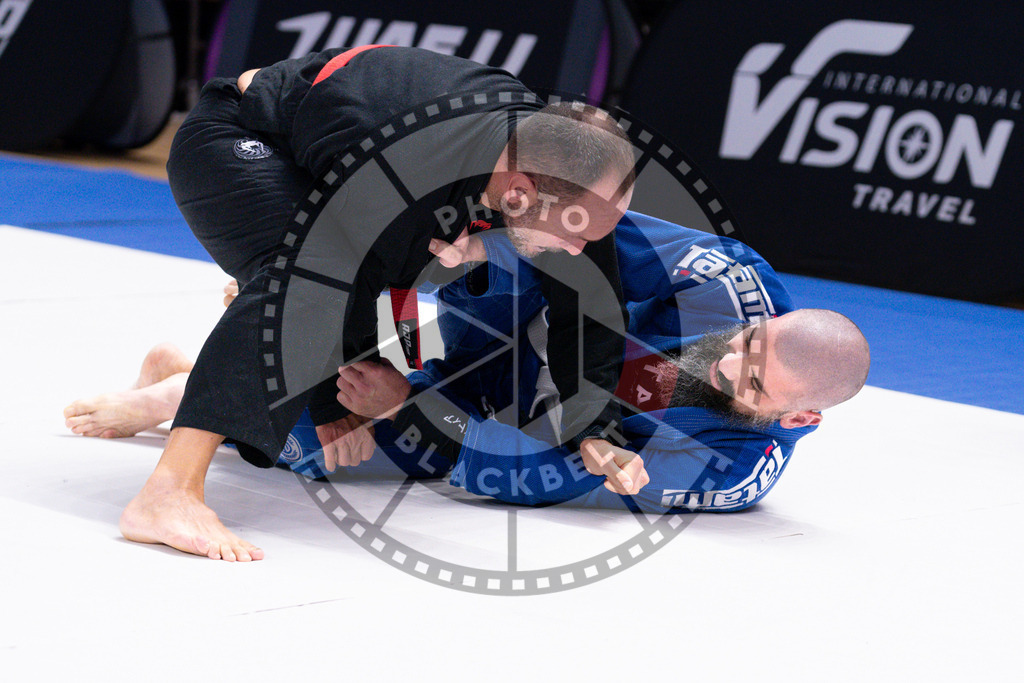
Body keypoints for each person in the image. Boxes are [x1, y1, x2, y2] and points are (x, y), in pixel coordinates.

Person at [112, 44, 637, 561]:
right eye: (575, 235)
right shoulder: (400, 151)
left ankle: (177, 375)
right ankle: (168, 491)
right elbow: (337, 271)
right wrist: (335, 394)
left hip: (368, 179)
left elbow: (591, 299)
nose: (578, 249)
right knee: (302, 284)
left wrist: (596, 426)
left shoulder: (563, 171)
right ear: (520, 190)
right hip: (241, 137)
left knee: (365, 304)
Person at [66, 211, 869, 524]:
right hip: (516, 321)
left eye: (752, 383)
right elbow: (576, 243)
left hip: (519, 420)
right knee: (373, 328)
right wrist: (450, 267)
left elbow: (551, 471)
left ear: (800, 418)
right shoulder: (726, 279)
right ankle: (218, 365)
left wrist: (408, 413)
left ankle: (188, 380)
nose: (728, 357)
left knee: (334, 444)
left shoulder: (733, 466)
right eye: (747, 343)